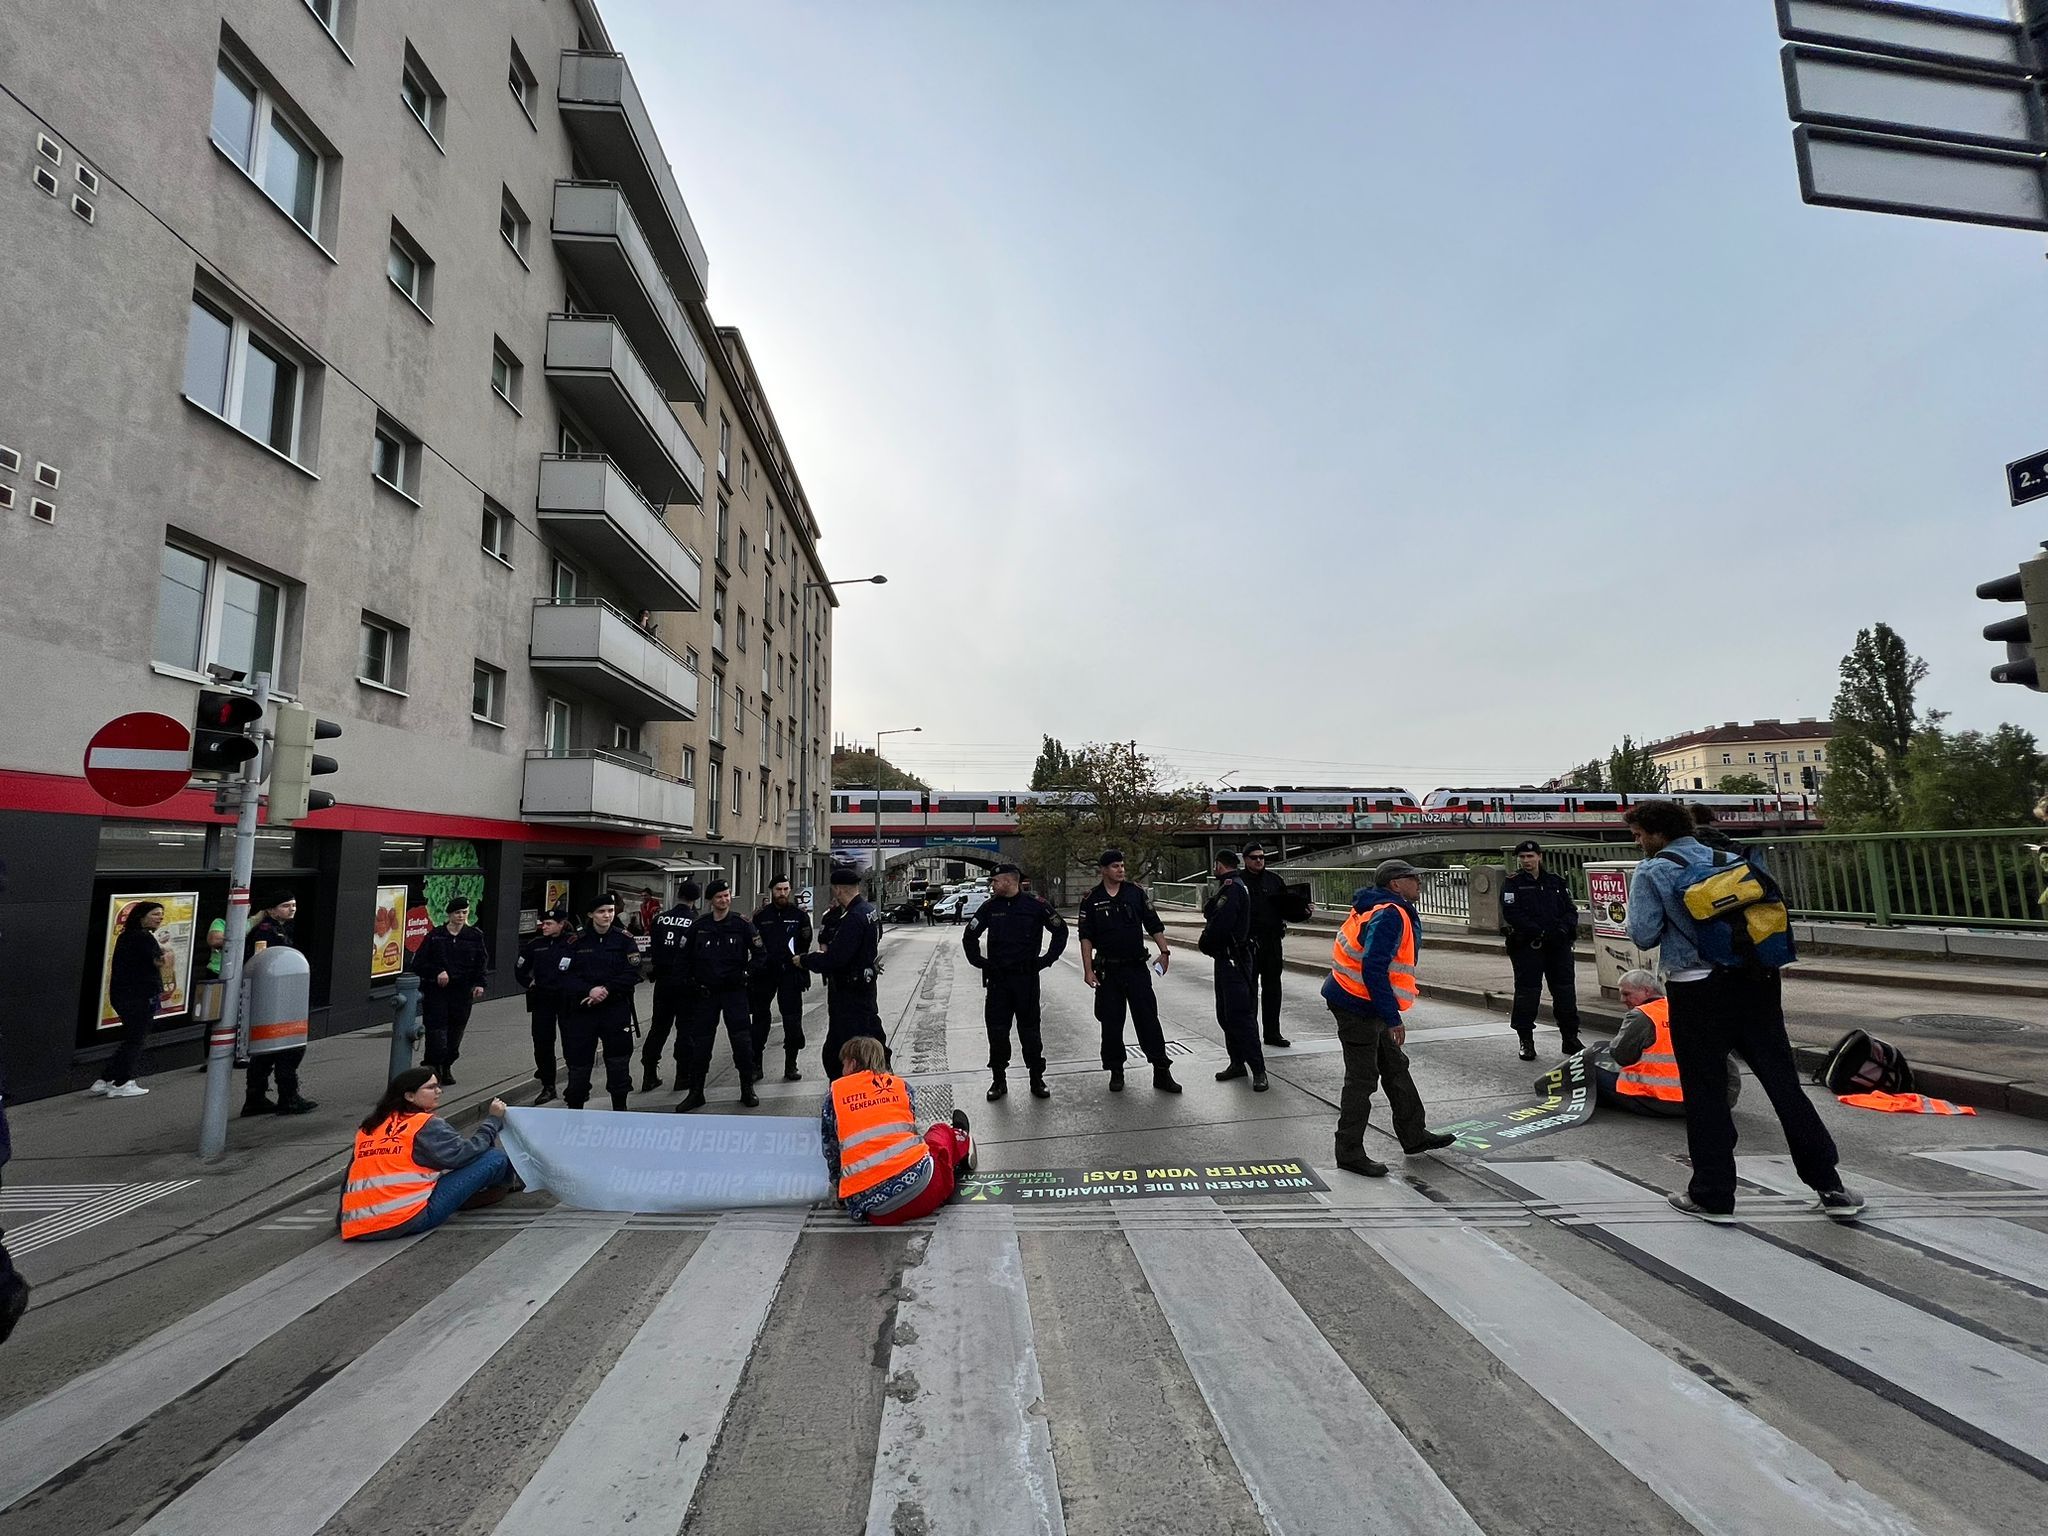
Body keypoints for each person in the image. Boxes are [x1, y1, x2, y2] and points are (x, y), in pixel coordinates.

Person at [1624, 799, 1863, 1223]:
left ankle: (1713, 1194)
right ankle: (1830, 1185)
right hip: (1758, 983)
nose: (1638, 842)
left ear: (1657, 833)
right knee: (1784, 1085)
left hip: (1697, 991)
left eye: (1639, 834)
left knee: (1706, 1093)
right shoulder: (1731, 859)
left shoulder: (1653, 870)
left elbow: (1642, 936)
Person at [1322, 860, 1457, 1176]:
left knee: (1395, 1067)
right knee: (1362, 1079)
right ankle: (1349, 1152)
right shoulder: (1391, 914)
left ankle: (1414, 1136)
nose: (1419, 883)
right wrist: (1392, 1017)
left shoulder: (1378, 906)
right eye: (1413, 878)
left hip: (1358, 999)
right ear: (1396, 884)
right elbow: (1373, 966)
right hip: (1357, 1004)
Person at [340, 1069, 516, 1240]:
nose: (439, 1091)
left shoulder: (369, 1128)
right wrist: (493, 1120)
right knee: (494, 1158)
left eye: (438, 1086)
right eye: (431, 1087)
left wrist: (342, 1218)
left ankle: (479, 1194)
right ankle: (503, 1187)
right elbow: (465, 1154)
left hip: (358, 1227)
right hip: (407, 1220)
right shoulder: (423, 1124)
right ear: (409, 1096)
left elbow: (350, 1178)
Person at [820, 1036, 974, 1226]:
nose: (842, 1071)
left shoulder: (833, 1097)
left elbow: (832, 1151)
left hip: (875, 1211)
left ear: (852, 1063)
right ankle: (961, 1136)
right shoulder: (901, 1087)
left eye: (843, 1065)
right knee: (939, 1135)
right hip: (922, 1191)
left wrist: (839, 1188)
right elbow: (909, 1131)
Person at [1076, 850, 1179, 1093]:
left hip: (1135, 969)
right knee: (1111, 1023)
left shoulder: (1135, 893)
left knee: (1148, 1021)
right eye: (1115, 866)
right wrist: (1088, 969)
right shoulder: (1091, 899)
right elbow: (1086, 937)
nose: (1120, 870)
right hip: (1108, 972)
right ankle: (1116, 1071)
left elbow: (1153, 923)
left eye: (1122, 865)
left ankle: (1161, 1071)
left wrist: (1164, 952)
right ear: (1103, 870)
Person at [962, 863, 1067, 1101]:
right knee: (997, 1031)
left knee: (1030, 1031)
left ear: (1010, 881)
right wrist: (980, 962)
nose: (993, 885)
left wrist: (1046, 960)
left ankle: (1036, 1078)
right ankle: (999, 1080)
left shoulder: (1035, 906)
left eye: (995, 881)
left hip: (1026, 979)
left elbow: (1060, 931)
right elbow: (970, 935)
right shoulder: (990, 907)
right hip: (999, 980)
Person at [1588, 969, 1740, 1118]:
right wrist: (1727, 1099)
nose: (1622, 1000)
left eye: (1626, 994)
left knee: (1588, 1068)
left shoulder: (1642, 1015)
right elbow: (1728, 1063)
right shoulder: (1689, 1009)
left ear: (1646, 991)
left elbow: (1622, 1056)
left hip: (1662, 1101)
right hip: (1706, 1101)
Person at [682, 880, 764, 1109]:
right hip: (706, 994)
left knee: (742, 1042)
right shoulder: (699, 926)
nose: (724, 900)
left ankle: (747, 1089)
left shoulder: (742, 924)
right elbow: (683, 959)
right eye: (719, 897)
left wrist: (746, 974)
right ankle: (696, 1092)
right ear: (710, 900)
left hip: (734, 993)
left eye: (727, 895)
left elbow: (760, 954)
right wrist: (690, 984)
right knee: (700, 1045)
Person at [800, 866, 887, 1081]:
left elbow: (835, 959)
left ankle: (847, 1092)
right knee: (870, 1038)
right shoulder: (868, 911)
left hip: (849, 994)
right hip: (864, 989)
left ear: (838, 890)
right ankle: (880, 1080)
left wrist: (804, 959)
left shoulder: (853, 918)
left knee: (840, 1051)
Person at [1500, 841, 1584, 1063]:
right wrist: (1540, 931)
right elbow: (1512, 913)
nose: (1526, 861)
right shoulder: (1513, 883)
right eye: (1522, 857)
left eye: (1530, 856)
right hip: (1529, 946)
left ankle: (1570, 1038)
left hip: (1558, 946)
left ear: (1539, 856)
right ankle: (1526, 1040)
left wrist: (1562, 930)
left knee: (1565, 992)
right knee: (1528, 993)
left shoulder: (1556, 882)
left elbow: (1570, 910)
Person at [243, 892, 317, 1116]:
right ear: (272, 910)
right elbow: (263, 962)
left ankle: (256, 1098)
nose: (292, 909)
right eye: (286, 906)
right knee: (288, 1049)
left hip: (280, 996)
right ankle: (288, 1097)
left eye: (294, 905)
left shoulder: (282, 928)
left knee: (267, 1052)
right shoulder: (266, 931)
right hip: (276, 999)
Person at [563, 892, 639, 1111]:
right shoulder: (576, 941)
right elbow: (564, 975)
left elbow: (632, 971)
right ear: (591, 915)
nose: (607, 915)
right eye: (602, 912)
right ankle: (575, 1110)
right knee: (579, 1064)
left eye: (610, 911)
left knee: (618, 1062)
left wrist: (606, 990)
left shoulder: (624, 939)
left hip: (614, 1009)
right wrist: (589, 990)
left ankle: (620, 1110)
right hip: (583, 1011)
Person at [93, 900, 173, 1098]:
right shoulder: (144, 937)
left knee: (131, 1037)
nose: (160, 918)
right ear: (141, 916)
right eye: (155, 914)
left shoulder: (126, 936)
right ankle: (123, 1082)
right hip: (141, 996)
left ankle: (106, 1079)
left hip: (122, 996)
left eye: (161, 914)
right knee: (136, 1040)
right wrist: (167, 954)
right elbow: (159, 962)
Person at [1201, 850, 1264, 1090]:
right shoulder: (1228, 886)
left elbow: (1220, 922)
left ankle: (1258, 1069)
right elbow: (1210, 910)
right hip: (1226, 959)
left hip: (1235, 959)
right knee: (1226, 1015)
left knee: (1240, 1016)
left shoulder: (1233, 887)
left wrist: (1205, 941)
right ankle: (1237, 1062)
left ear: (1219, 864)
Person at [412, 896, 490, 1086]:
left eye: (464, 912)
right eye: (457, 913)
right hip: (437, 992)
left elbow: (481, 962)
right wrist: (437, 971)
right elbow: (418, 963)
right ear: (449, 915)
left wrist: (480, 983)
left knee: (456, 1032)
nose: (461, 916)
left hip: (462, 992)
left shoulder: (474, 936)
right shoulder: (436, 936)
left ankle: (447, 1065)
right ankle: (433, 1068)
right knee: (436, 1032)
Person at [750, 877, 814, 1082]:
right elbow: (753, 943)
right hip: (765, 974)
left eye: (786, 889)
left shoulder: (799, 916)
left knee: (792, 1021)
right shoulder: (761, 916)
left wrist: (802, 967)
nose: (782, 893)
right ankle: (756, 1066)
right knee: (760, 1020)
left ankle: (791, 1065)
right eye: (779, 889)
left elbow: (805, 943)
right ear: (771, 891)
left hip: (790, 973)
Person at [640, 880, 701, 1092]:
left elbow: (653, 948)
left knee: (658, 1028)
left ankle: (649, 1074)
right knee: (686, 1029)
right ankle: (682, 1076)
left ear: (678, 895)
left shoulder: (660, 919)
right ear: (696, 899)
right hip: (685, 982)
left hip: (663, 982)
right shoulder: (695, 921)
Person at [514, 907, 577, 1104]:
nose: (544, 926)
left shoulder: (573, 943)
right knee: (542, 1043)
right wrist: (528, 982)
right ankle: (548, 1086)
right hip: (543, 999)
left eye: (549, 924)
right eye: (543, 923)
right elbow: (520, 968)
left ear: (561, 924)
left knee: (572, 1042)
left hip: (567, 999)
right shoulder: (536, 944)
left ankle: (577, 1084)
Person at [1240, 844, 1299, 1049]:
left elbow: (1288, 909)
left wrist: (1303, 910)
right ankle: (1250, 1034)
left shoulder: (1274, 881)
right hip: (1248, 944)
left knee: (1273, 988)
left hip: (1272, 942)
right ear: (1245, 859)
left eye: (1262, 857)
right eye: (1254, 858)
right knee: (1249, 991)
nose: (1259, 861)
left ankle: (1272, 1032)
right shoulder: (1238, 882)